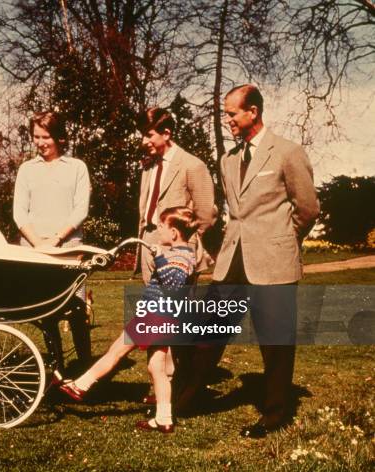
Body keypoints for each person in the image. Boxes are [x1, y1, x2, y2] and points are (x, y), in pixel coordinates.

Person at [181, 84, 320, 438]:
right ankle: (186, 400)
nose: (226, 119)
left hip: (273, 261)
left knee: (275, 343)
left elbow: (307, 209)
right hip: (232, 262)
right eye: (226, 113)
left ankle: (275, 416)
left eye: (231, 113)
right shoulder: (228, 159)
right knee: (208, 333)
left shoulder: (287, 152)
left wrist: (282, 241)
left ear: (253, 112)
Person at [59, 207, 197, 434]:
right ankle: (164, 418)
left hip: (155, 316)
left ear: (173, 232)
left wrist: (160, 258)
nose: (157, 230)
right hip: (162, 317)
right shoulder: (183, 253)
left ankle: (80, 385)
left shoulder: (180, 257)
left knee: (115, 352)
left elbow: (173, 284)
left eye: (161, 226)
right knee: (157, 368)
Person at [13, 111, 92, 369]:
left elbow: (81, 209)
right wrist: (39, 244)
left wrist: (57, 239)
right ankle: (57, 368)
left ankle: (85, 366)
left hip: (69, 249)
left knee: (77, 309)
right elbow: (18, 213)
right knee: (46, 311)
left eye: (45, 136)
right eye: (36, 136)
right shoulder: (27, 169)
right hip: (36, 250)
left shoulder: (77, 167)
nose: (40, 142)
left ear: (58, 136)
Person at [137, 107, 217, 284]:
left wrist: (185, 243)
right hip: (148, 242)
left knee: (179, 309)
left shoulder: (192, 165)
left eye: (148, 135)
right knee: (153, 306)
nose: (144, 141)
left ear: (166, 133)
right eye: (142, 135)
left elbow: (205, 215)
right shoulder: (148, 167)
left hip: (179, 247)